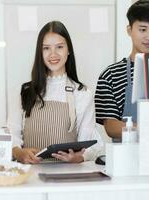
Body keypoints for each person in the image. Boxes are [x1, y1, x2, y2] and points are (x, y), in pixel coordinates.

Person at [8, 21, 103, 164]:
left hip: (66, 178)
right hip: (28, 176)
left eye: (59, 47)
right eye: (46, 48)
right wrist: (18, 152)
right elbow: (11, 133)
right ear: (40, 52)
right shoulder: (23, 91)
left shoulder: (82, 93)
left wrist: (79, 157)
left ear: (68, 50)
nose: (53, 54)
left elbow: (90, 143)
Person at [94, 0, 149, 141]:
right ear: (129, 30)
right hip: (126, 157)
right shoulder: (110, 75)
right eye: (143, 29)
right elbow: (111, 127)